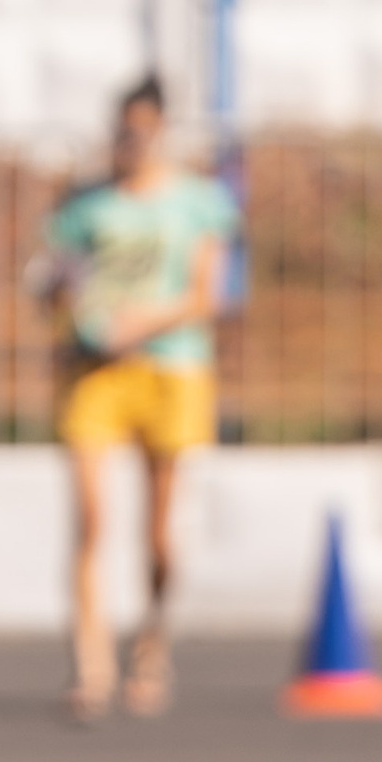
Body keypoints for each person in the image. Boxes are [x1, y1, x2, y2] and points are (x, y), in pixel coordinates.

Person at [43, 75, 235, 720]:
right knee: (91, 518)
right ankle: (90, 666)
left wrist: (137, 326)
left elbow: (208, 295)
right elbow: (61, 281)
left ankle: (151, 642)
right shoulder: (84, 205)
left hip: (171, 369)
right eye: (123, 132)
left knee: (157, 533)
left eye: (144, 132)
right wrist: (68, 312)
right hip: (96, 371)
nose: (132, 143)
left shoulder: (198, 201)